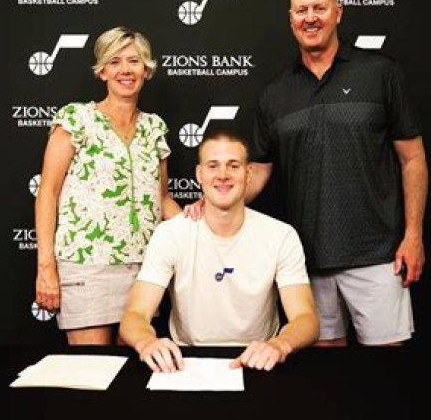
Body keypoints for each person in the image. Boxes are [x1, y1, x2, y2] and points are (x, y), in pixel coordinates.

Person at [186, 0, 428, 347]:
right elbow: (258, 171)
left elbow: (412, 158)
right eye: (301, 10)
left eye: (319, 8)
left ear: (338, 13)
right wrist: (214, 201)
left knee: (386, 368)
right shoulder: (275, 94)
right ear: (291, 19)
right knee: (321, 371)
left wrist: (413, 236)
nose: (310, 18)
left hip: (378, 255)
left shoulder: (379, 73)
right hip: (305, 260)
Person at [119, 130, 319, 372]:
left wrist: (279, 345)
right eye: (213, 166)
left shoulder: (280, 235)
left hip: (259, 360)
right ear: (199, 174)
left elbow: (305, 318)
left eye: (233, 166)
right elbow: (135, 314)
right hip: (187, 360)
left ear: (248, 174)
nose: (223, 175)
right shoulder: (171, 233)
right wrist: (146, 342)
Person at [35, 27, 181, 345]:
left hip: (145, 271)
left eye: (134, 61)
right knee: (93, 368)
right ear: (102, 71)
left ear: (146, 69)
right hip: (87, 267)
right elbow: (47, 193)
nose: (125, 70)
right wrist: (46, 267)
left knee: (133, 371)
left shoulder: (154, 128)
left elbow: (162, 198)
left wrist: (198, 225)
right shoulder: (76, 119)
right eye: (115, 62)